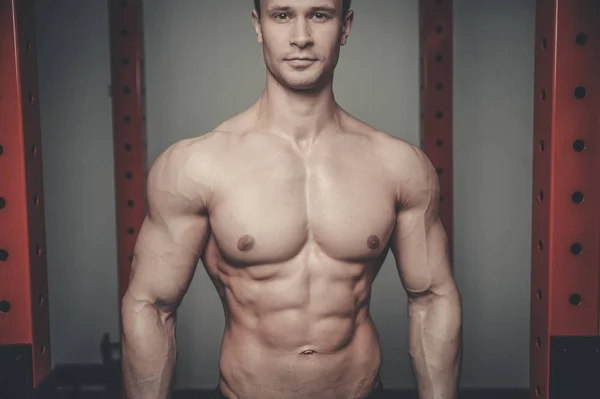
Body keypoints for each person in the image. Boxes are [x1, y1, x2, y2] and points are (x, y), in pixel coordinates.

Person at [121, 0, 463, 398]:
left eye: (320, 15)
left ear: (346, 26)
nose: (301, 38)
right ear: (258, 26)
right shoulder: (197, 165)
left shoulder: (397, 165)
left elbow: (432, 298)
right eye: (282, 15)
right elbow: (151, 306)